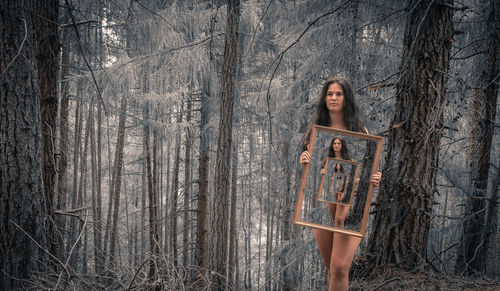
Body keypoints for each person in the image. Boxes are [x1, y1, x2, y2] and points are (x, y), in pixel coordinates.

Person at [299, 77, 381, 291]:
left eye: (339, 94)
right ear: (324, 98)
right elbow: (309, 175)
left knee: (339, 269)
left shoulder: (360, 132)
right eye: (329, 94)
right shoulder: (315, 131)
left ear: (347, 98)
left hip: (351, 205)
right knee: (333, 269)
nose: (333, 98)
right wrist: (304, 161)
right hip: (324, 206)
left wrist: (374, 178)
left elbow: (369, 168)